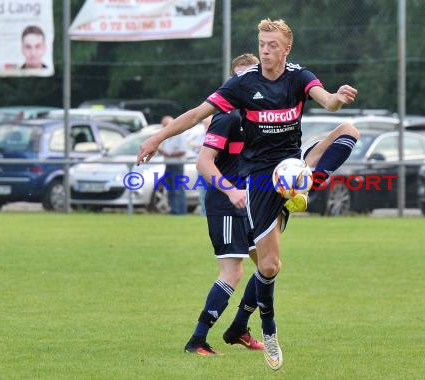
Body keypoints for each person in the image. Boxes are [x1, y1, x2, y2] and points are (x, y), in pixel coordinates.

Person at [137, 18, 359, 370]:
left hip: (289, 166)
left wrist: (337, 98)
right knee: (269, 265)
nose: (265, 51)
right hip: (258, 180)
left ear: (286, 49)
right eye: (262, 44)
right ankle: (266, 329)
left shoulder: (299, 77)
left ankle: (305, 184)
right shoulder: (243, 85)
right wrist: (156, 138)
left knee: (348, 130)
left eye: (272, 45)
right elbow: (197, 114)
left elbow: (328, 102)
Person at [184, 53, 265, 356]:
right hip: (226, 202)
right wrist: (231, 192)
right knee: (232, 272)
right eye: (239, 77)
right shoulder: (227, 117)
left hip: (250, 202)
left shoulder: (258, 119)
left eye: (250, 75)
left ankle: (240, 326)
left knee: (269, 266)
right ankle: (197, 340)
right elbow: (203, 163)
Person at [158, 115, 187, 215]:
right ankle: (174, 210)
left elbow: (183, 151)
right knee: (170, 188)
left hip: (177, 165)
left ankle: (180, 211)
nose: (164, 127)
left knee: (177, 188)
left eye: (165, 125)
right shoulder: (167, 136)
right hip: (168, 164)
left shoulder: (180, 134)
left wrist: (169, 154)